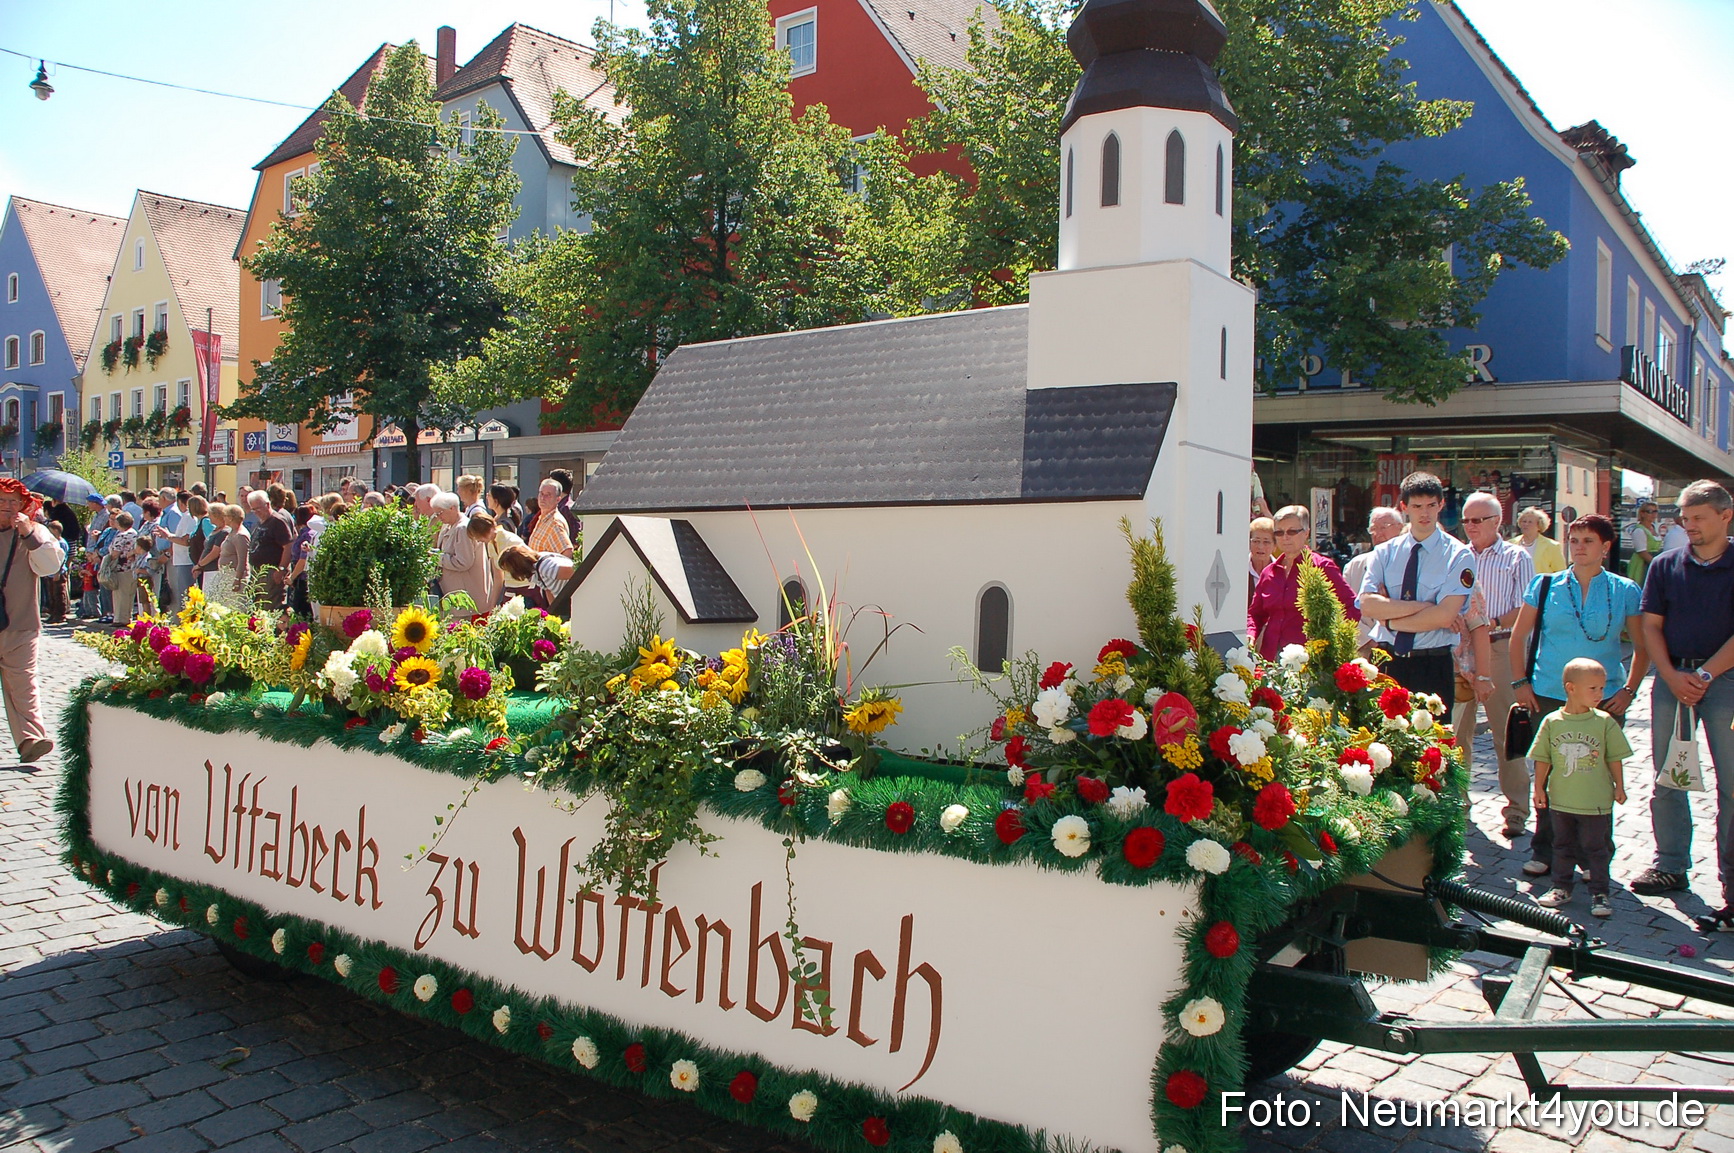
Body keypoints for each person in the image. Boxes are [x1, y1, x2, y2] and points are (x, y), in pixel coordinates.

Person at [1509, 514, 1646, 879]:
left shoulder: (1625, 590)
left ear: (1605, 547)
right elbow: (1518, 636)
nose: (1580, 547)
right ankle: (1546, 850)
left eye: (1588, 541)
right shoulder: (1545, 585)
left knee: (1596, 776)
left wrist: (1629, 691)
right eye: (1575, 540)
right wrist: (1520, 683)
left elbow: (1642, 647)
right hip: (1549, 694)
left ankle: (1595, 855)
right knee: (1549, 772)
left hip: (1604, 699)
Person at [1632, 481, 1734, 921]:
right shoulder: (1666, 565)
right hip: (1673, 681)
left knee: (1731, 785)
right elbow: (1650, 625)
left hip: (1726, 683)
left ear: (1725, 515)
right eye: (1685, 519)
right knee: (1668, 777)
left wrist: (1707, 673)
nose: (1689, 526)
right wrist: (1672, 676)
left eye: (1698, 518)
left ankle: (1732, 880)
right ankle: (1671, 865)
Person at [1452, 492, 1536, 839]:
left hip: (1501, 650)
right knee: (1457, 734)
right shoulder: (1456, 556)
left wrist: (1487, 623)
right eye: (1466, 520)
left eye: (1478, 520)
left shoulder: (1517, 557)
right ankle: (1457, 803)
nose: (1470, 527)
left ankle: (1516, 808)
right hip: (1459, 651)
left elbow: (1527, 609)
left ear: (1497, 521)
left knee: (1507, 731)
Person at [1356, 472, 1476, 703]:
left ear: (1441, 505)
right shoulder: (1385, 552)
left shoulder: (1459, 555)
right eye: (1417, 505)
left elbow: (1444, 616)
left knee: (1434, 738)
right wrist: (1425, 607)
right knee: (1386, 737)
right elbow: (1368, 604)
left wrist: (1389, 620)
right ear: (1404, 507)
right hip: (1389, 660)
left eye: (1431, 505)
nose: (1425, 513)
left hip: (1433, 663)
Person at [1530, 657, 1631, 919]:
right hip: (1561, 801)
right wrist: (1539, 788)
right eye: (1593, 688)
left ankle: (1600, 892)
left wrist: (1619, 786)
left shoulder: (1604, 722)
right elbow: (1543, 758)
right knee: (1561, 846)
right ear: (1570, 688)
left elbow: (1614, 757)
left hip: (1595, 802)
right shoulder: (1553, 722)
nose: (1600, 694)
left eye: (1602, 688)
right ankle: (1561, 887)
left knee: (1596, 848)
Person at [0, 480, 74, 761]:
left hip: (21, 621)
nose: (8, 508)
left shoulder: (36, 531)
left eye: (13, 502)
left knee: (24, 683)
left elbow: (51, 566)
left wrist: (29, 534)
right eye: (2, 501)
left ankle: (32, 738)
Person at [1247, 505, 1358, 658]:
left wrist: (1330, 642)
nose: (1285, 537)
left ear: (1306, 533)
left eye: (1292, 531)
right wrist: (1251, 635)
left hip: (1309, 662)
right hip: (1270, 659)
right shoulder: (1269, 572)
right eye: (1279, 532)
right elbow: (1255, 614)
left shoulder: (1323, 567)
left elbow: (1352, 607)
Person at [1344, 508, 1402, 652]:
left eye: (1384, 527)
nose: (1378, 534)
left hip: (1402, 644)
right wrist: (1369, 639)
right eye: (1373, 529)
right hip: (1364, 646)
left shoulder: (1411, 563)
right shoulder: (1355, 566)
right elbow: (1344, 606)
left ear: (1400, 528)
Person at [433, 492, 489, 608]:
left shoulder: (463, 528)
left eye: (440, 513)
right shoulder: (448, 526)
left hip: (465, 598)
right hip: (454, 596)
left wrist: (436, 558)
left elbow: (463, 562)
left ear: (452, 508)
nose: (438, 517)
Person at [247, 490, 291, 607]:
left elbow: (287, 546)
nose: (256, 512)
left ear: (267, 505)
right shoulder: (261, 522)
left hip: (271, 572)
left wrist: (281, 569)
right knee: (257, 608)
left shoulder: (277, 521)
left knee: (270, 606)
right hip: (258, 572)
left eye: (258, 508)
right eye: (253, 509)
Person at [498, 544, 576, 608]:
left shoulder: (546, 567)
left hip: (575, 601)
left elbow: (576, 574)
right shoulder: (536, 568)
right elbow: (548, 589)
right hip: (566, 604)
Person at [103, 512, 139, 625]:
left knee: (120, 594)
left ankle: (120, 619)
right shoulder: (134, 533)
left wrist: (107, 561)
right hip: (132, 567)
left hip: (121, 567)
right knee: (129, 594)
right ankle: (126, 617)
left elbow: (115, 553)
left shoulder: (122, 535)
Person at [526, 479, 574, 557]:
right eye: (541, 493)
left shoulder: (555, 524)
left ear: (558, 499)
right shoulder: (543, 518)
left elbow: (567, 552)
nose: (543, 498)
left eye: (548, 495)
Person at [191, 503, 230, 592]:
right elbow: (206, 549)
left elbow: (214, 553)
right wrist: (199, 566)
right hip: (207, 569)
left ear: (216, 515)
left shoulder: (224, 532)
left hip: (214, 569)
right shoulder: (215, 530)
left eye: (210, 514)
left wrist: (199, 565)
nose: (208, 516)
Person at [1515, 507, 1567, 575]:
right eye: (1524, 521)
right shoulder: (1511, 543)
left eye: (1530, 522)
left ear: (1539, 525)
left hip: (1541, 584)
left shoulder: (1552, 546)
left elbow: (1561, 573)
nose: (1526, 524)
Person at [214, 504, 251, 596]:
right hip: (227, 576)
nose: (223, 518)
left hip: (235, 576)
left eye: (225, 516)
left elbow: (242, 561)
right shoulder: (232, 532)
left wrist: (237, 580)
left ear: (231, 518)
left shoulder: (240, 535)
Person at [1624, 502, 1664, 586]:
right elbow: (1642, 552)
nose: (1653, 514)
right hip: (1642, 564)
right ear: (1642, 513)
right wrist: (1656, 565)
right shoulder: (1639, 530)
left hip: (1652, 560)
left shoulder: (1653, 528)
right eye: (1649, 511)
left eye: (1655, 511)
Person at [1247, 517, 1275, 608]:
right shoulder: (1239, 569)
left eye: (1266, 542)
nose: (1260, 547)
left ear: (1275, 546)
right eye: (1256, 541)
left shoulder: (1281, 571)